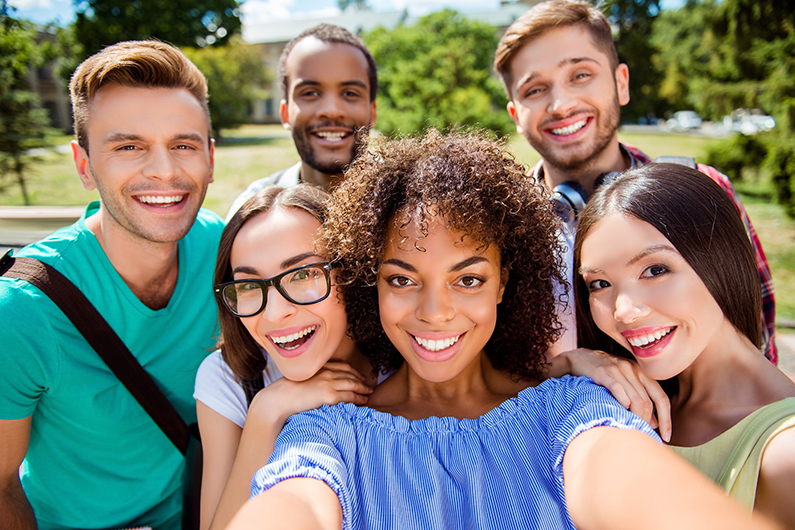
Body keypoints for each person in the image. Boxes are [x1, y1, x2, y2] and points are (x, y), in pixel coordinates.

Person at [227, 130, 780, 530]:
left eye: (467, 279)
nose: (436, 311)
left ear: (503, 282)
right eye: (402, 278)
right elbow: (293, 504)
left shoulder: (570, 410)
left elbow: (629, 482)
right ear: (372, 284)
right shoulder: (329, 435)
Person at [0, 41, 224, 529]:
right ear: (84, 165)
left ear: (209, 157)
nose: (165, 171)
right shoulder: (21, 310)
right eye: (129, 146)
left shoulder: (227, 255)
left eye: (183, 145)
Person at [494, 0, 777, 363]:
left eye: (580, 75)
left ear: (621, 82)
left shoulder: (703, 190)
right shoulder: (500, 225)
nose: (561, 104)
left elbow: (758, 348)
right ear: (517, 115)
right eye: (535, 90)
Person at [574, 163, 795, 529]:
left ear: (722, 260)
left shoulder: (783, 455)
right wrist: (575, 362)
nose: (624, 311)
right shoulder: (621, 398)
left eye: (655, 270)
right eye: (599, 284)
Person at [194, 185, 376, 530]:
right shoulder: (228, 377)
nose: (275, 313)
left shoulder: (407, 362)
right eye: (248, 286)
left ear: (350, 273)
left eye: (303, 275)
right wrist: (266, 413)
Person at [225, 24, 377, 219]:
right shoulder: (248, 215)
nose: (331, 111)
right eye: (310, 93)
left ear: (372, 112)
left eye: (350, 93)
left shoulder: (413, 208)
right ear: (285, 112)